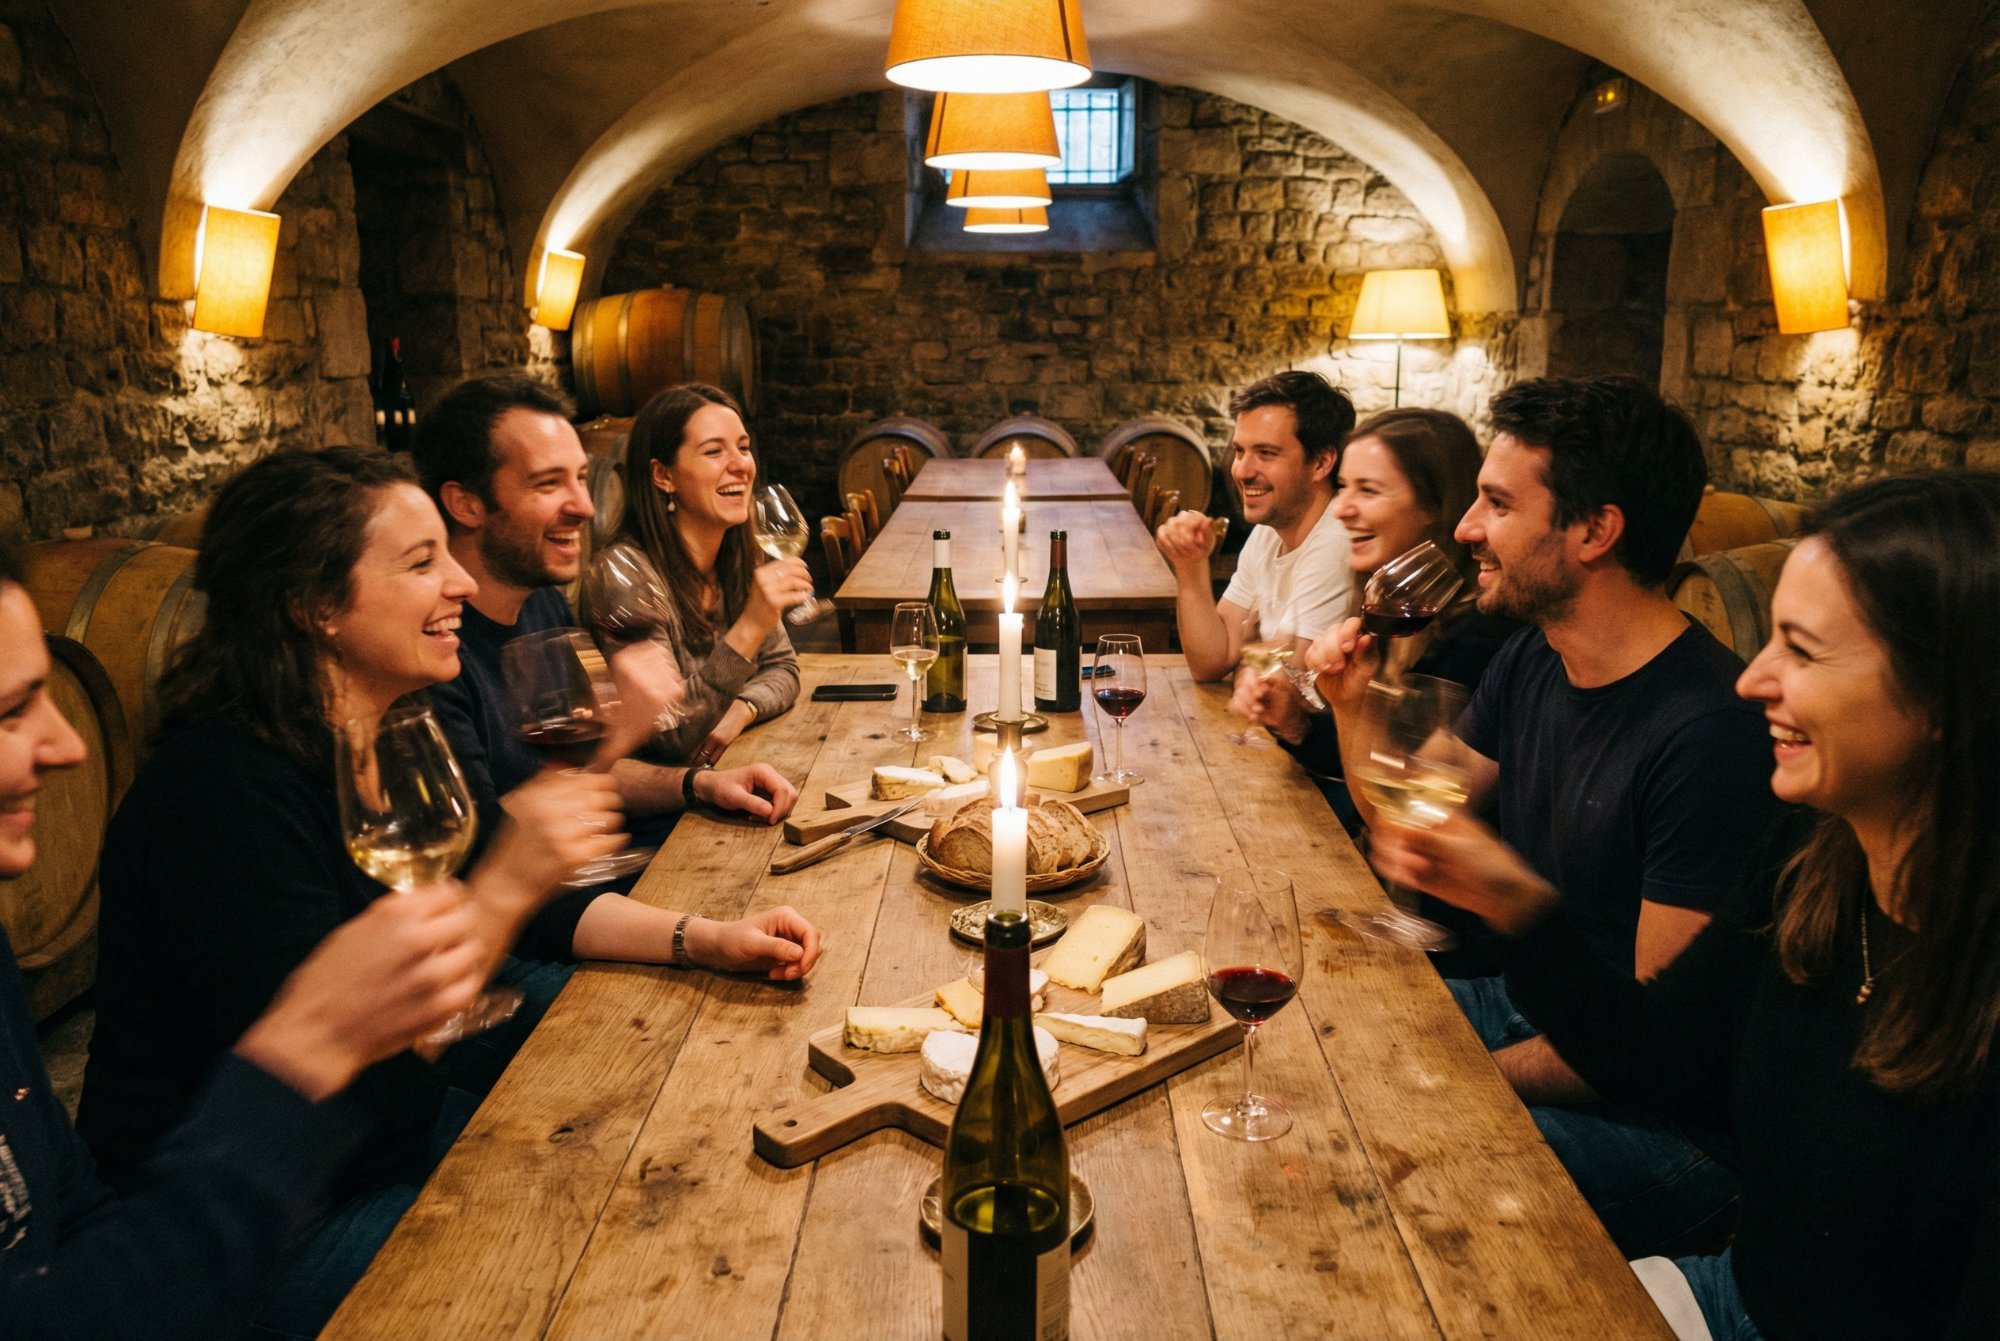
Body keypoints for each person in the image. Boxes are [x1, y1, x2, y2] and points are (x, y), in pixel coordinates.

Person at [75, 448, 819, 1337]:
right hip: (255, 1240)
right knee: (608, 1269)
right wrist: (503, 891)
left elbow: (529, 900)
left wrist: (708, 937)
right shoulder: (220, 794)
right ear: (314, 606)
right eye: (422, 562)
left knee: (670, 1157)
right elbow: (351, 1073)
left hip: (390, 1142)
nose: (461, 581)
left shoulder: (391, 731)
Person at [1372, 471, 2000, 1341]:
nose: (1752, 680)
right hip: (1736, 1297)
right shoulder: (1812, 862)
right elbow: (1659, 1054)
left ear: (1946, 698)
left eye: (1803, 651)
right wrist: (1514, 902)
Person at [1313, 376, 1782, 1259]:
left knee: (1372, 1178)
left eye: (1497, 504)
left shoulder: (1709, 736)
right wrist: (1351, 703)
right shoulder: (1534, 657)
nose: (1465, 528)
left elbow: (1655, 1042)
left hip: (1656, 1118)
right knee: (1320, 1038)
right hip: (1531, 1007)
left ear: (1595, 531)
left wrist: (1462, 1077)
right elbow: (1410, 816)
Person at [0, 533, 504, 1337]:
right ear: (315, 606)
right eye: (10, 712)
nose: (69, 746)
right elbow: (370, 1103)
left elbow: (76, 1210)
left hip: (249, 1214)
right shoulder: (220, 792)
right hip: (278, 1222)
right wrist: (315, 1044)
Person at [412, 375, 800, 869]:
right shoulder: (435, 661)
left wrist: (698, 784)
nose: (586, 506)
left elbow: (587, 775)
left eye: (580, 477)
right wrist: (626, 731)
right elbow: (498, 864)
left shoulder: (544, 607)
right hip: (570, 894)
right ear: (465, 504)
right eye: (548, 483)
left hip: (603, 869)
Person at [1229, 407, 1518, 774]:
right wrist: (1294, 724)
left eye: (1368, 490)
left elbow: (1401, 786)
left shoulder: (1478, 636)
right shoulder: (1391, 602)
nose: (1341, 510)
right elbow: (1356, 756)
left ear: (1434, 504)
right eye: (1344, 487)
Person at [615, 383, 809, 766]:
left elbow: (784, 669)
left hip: (729, 769)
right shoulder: (627, 577)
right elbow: (669, 733)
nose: (740, 465)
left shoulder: (736, 554)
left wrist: (742, 709)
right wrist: (750, 628)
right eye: (714, 451)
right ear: (663, 475)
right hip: (661, 796)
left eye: (743, 447)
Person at [1154, 370, 1356, 682]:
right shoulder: (1270, 531)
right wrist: (1190, 565)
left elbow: (1284, 684)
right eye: (1239, 451)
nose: (1242, 471)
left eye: (1265, 453)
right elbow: (1211, 661)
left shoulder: (1336, 540)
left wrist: (1245, 659)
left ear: (1321, 463)